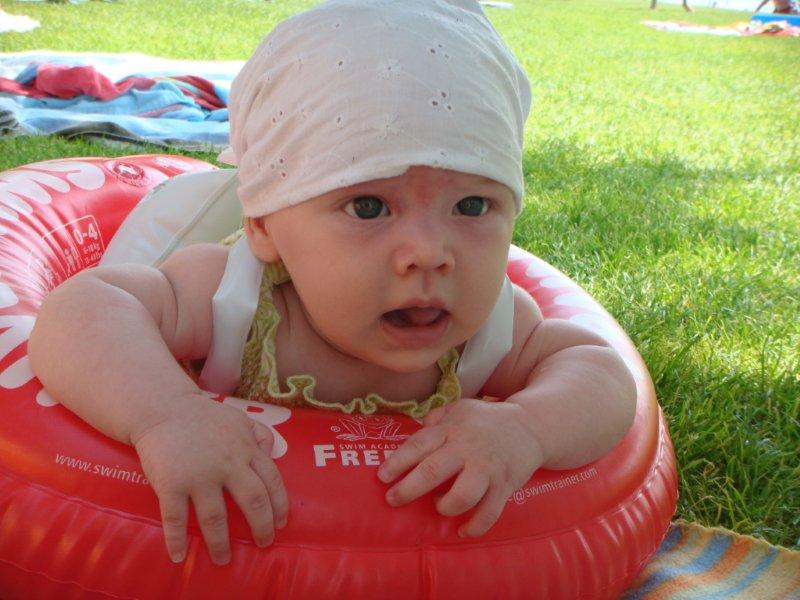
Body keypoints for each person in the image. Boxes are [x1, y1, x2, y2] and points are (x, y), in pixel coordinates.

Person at [28, 0, 636, 567]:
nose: (430, 253)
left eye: (473, 206)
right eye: (369, 207)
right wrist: (165, 415)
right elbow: (85, 307)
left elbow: (599, 370)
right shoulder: (232, 297)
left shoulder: (493, 328)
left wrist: (527, 427)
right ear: (264, 227)